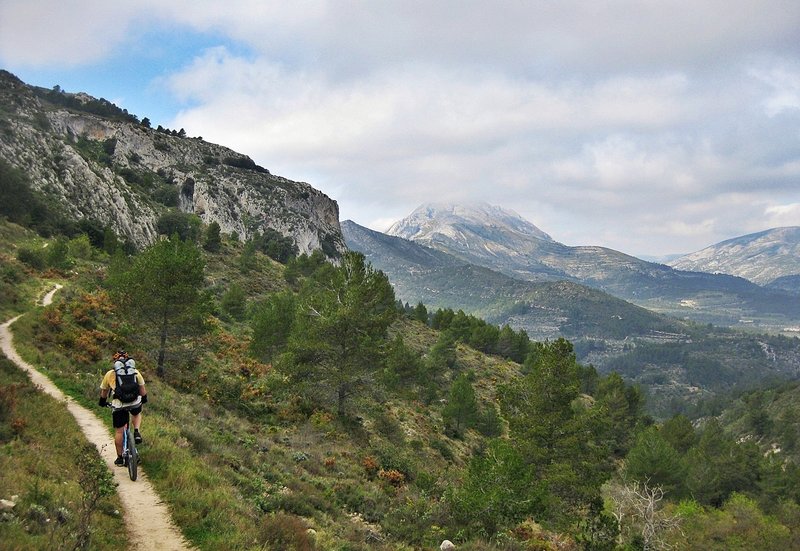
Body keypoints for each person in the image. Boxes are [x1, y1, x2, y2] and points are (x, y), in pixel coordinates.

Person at [99, 350, 148, 466]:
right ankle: (136, 431)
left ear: (115, 361)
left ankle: (120, 458)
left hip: (119, 404)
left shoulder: (110, 374)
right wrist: (144, 399)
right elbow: (142, 390)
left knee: (119, 432)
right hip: (134, 401)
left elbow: (104, 392)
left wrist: (102, 402)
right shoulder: (135, 372)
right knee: (136, 413)